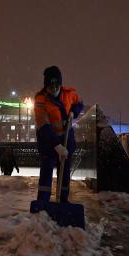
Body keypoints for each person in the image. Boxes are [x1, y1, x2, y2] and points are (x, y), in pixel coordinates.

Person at [34, 66, 84, 202]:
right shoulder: (40, 100)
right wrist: (57, 146)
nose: (54, 88)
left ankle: (63, 201)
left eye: (57, 85)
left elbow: (79, 103)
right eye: (51, 86)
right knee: (46, 171)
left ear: (60, 84)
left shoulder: (69, 93)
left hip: (66, 139)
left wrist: (74, 111)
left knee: (64, 173)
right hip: (48, 142)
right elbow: (44, 126)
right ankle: (43, 202)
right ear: (46, 87)